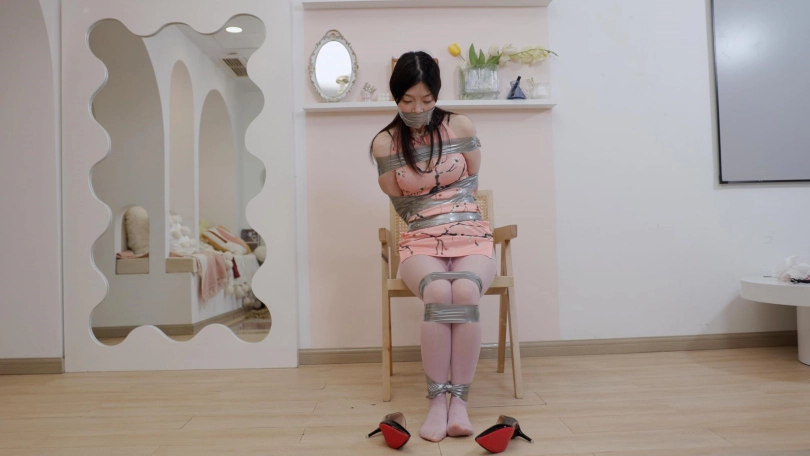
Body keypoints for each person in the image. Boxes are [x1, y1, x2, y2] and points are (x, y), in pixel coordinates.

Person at [370, 51, 496, 442]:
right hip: (419, 240)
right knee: (440, 291)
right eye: (407, 100)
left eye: (426, 100)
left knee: (466, 290)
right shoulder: (385, 143)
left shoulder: (460, 126)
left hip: (472, 234)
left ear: (437, 95)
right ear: (395, 97)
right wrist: (435, 211)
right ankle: (436, 402)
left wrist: (451, 210)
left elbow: (471, 178)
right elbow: (401, 203)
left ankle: (460, 402)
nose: (417, 109)